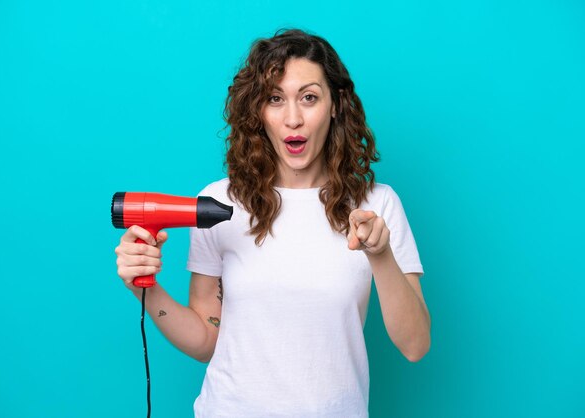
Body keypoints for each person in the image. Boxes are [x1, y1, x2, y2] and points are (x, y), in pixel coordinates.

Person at [115, 29, 430, 418]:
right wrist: (144, 290)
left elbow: (415, 345)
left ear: (335, 106)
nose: (293, 118)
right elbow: (206, 339)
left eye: (309, 98)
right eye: (275, 99)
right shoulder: (219, 203)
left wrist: (380, 255)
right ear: (258, 111)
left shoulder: (377, 204)